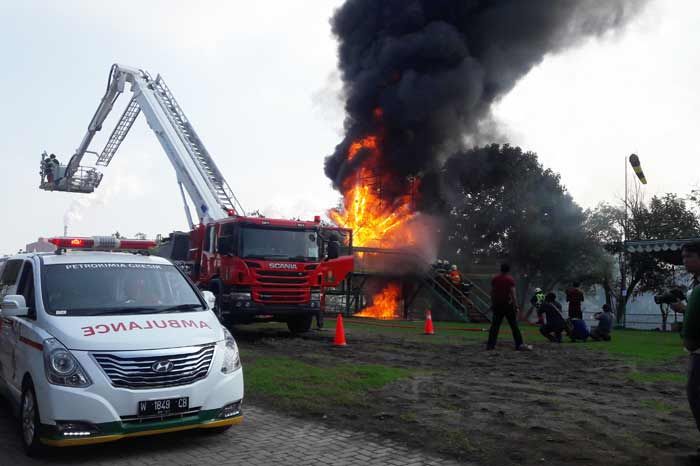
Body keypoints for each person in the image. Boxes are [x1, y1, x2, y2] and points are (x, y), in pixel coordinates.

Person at [671, 241, 700, 434]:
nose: (685, 261)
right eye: (683, 257)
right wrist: (685, 309)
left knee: (696, 393)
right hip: (697, 350)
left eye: (689, 256)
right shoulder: (695, 283)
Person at [486, 263, 532, 351]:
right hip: (507, 305)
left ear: (501, 269)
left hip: (497, 305)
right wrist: (516, 306)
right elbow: (513, 294)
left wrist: (493, 303)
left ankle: (490, 345)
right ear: (508, 270)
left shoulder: (495, 279)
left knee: (495, 326)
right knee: (514, 325)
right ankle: (519, 344)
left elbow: (492, 292)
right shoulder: (509, 279)